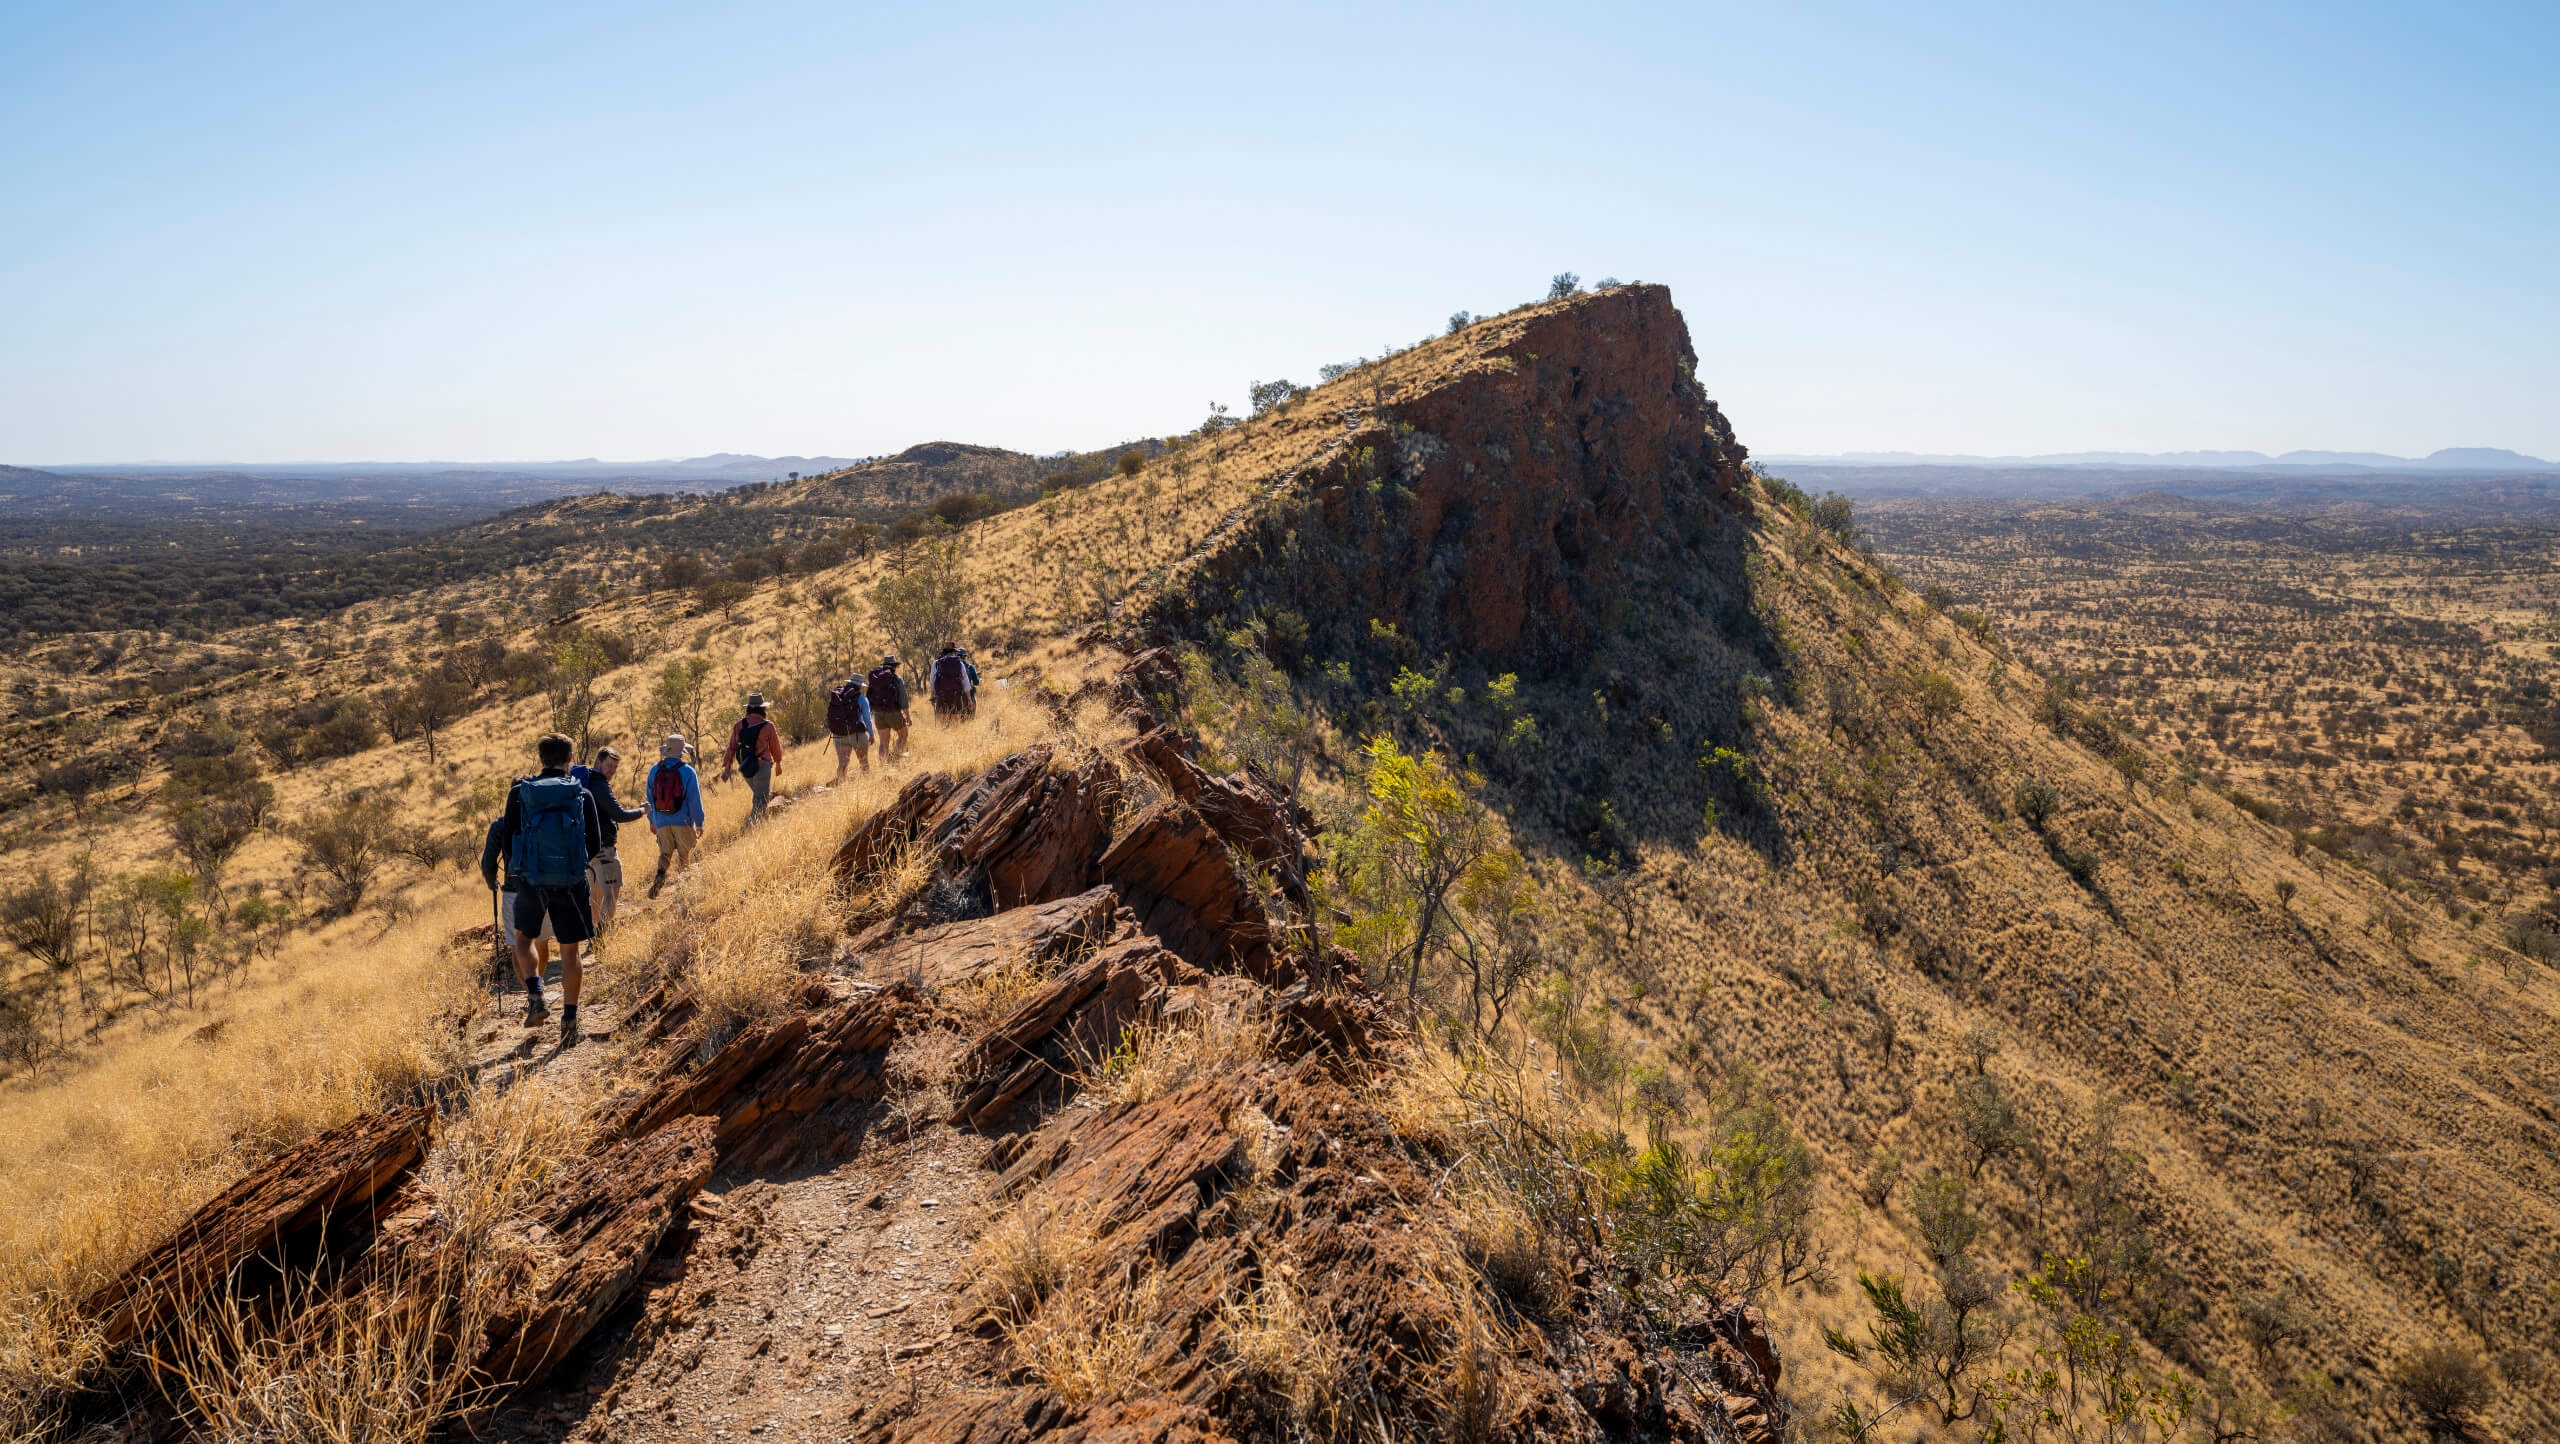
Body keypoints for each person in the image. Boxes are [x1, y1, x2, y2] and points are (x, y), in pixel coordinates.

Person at [480, 732, 602, 1045]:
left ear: (541, 759)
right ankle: (570, 1019)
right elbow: (595, 844)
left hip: (530, 880)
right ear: (570, 759)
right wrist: (571, 866)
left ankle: (535, 995)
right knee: (570, 951)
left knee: (524, 939)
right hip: (571, 881)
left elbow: (509, 839)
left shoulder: (520, 793)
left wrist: (524, 872)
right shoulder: (581, 794)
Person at [570, 745, 647, 931]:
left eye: (615, 767)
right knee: (612, 893)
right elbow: (619, 814)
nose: (612, 771)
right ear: (598, 762)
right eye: (609, 765)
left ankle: (592, 934)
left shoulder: (583, 783)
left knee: (595, 897)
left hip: (587, 849)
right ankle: (601, 935)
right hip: (604, 849)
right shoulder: (598, 784)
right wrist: (642, 810)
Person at [644, 732, 706, 899]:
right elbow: (694, 800)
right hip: (682, 820)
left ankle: (660, 875)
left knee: (665, 854)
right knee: (685, 854)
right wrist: (699, 822)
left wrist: (652, 821)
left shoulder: (654, 770)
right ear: (682, 752)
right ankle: (683, 889)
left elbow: (649, 799)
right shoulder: (688, 771)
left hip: (661, 821)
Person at [721, 692, 786, 821]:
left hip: (746, 768)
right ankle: (750, 829)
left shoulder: (739, 725)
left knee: (759, 796)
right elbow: (775, 747)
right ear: (762, 708)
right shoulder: (768, 726)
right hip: (762, 767)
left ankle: (765, 820)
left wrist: (727, 768)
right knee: (760, 801)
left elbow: (732, 747)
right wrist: (778, 764)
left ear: (748, 708)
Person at [826, 668, 876, 784]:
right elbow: (867, 719)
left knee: (843, 764)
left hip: (840, 734)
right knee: (863, 762)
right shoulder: (862, 699)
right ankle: (869, 786)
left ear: (849, 682)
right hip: (857, 734)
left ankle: (841, 789)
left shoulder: (838, 697)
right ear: (860, 686)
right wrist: (871, 734)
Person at [866, 655, 911, 761]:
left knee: (883, 742)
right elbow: (903, 699)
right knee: (903, 736)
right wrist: (908, 716)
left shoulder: (876, 678)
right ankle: (895, 759)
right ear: (894, 666)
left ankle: (882, 764)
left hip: (878, 714)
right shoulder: (896, 679)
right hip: (893, 712)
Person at [929, 642, 976, 723]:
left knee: (942, 723)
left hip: (941, 696)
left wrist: (932, 697)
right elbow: (966, 683)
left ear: (943, 651)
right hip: (956, 696)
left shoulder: (936, 663)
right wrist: (969, 700)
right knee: (955, 724)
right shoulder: (959, 663)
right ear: (954, 652)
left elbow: (932, 682)